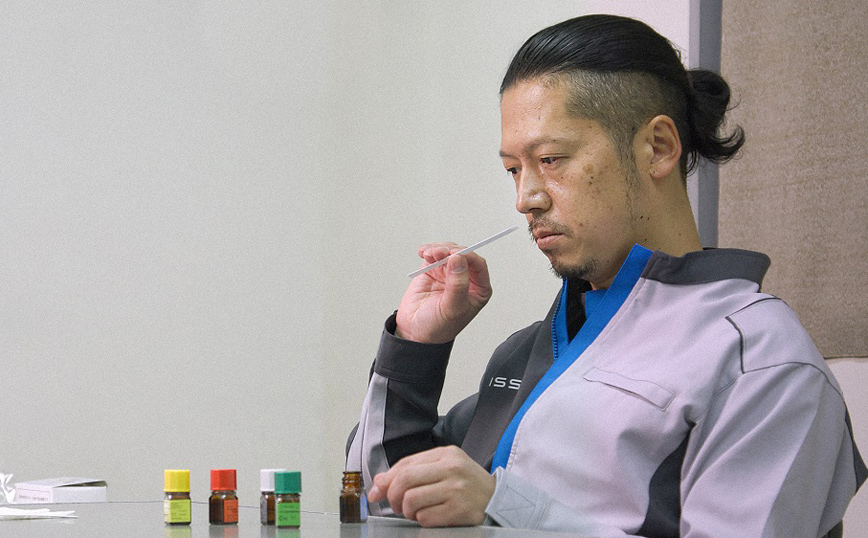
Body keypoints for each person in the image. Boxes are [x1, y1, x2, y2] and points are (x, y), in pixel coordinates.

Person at [346, 14, 866, 537]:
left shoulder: (759, 360)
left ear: (658, 147)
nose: (526, 198)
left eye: (551, 159)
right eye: (514, 169)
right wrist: (415, 349)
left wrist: (507, 510)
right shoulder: (527, 352)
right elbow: (377, 505)